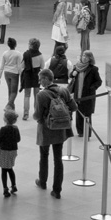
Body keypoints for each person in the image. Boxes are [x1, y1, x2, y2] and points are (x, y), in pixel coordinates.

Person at [33, 68, 76, 199]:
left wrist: (40, 119)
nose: (40, 82)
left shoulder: (41, 95)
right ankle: (57, 190)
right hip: (61, 129)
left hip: (46, 130)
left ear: (46, 79)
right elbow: (74, 107)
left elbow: (37, 115)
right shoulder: (64, 90)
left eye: (41, 79)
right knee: (58, 159)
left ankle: (42, 181)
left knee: (44, 155)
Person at [69, 50, 102, 137]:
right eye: (83, 55)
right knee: (78, 112)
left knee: (87, 114)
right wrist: (73, 73)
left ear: (90, 58)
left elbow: (99, 81)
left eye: (86, 56)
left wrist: (91, 88)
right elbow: (71, 75)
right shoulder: (77, 67)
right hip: (78, 94)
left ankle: (87, 132)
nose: (84, 57)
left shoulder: (93, 69)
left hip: (87, 96)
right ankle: (80, 132)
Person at [0, 109, 21, 198]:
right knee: (10, 168)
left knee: (4, 170)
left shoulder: (3, 129)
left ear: (5, 119)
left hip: (4, 150)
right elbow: (18, 139)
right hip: (13, 151)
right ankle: (14, 185)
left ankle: (5, 188)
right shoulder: (16, 128)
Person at [0, 37, 23, 111]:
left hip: (6, 73)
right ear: (15, 44)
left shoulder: (5, 53)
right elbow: (19, 66)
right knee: (14, 91)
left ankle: (12, 107)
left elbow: (2, 66)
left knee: (10, 90)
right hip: (14, 73)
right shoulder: (18, 54)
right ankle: (8, 105)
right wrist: (22, 76)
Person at [20, 38, 44, 121]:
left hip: (27, 75)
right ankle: (36, 112)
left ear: (31, 46)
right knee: (36, 95)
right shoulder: (40, 55)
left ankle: (26, 114)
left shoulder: (26, 54)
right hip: (36, 76)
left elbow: (22, 66)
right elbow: (42, 67)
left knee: (27, 95)